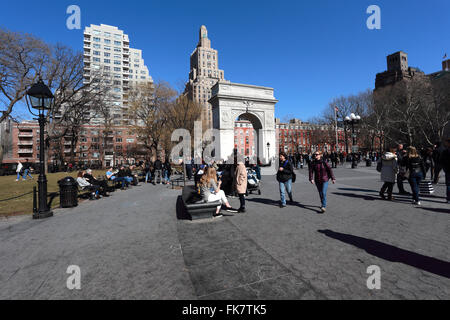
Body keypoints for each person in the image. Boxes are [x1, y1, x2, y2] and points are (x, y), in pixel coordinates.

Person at [440, 138, 450, 204]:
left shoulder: (446, 151)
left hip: (448, 169)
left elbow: (442, 160)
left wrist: (444, 168)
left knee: (449, 184)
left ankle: (449, 198)